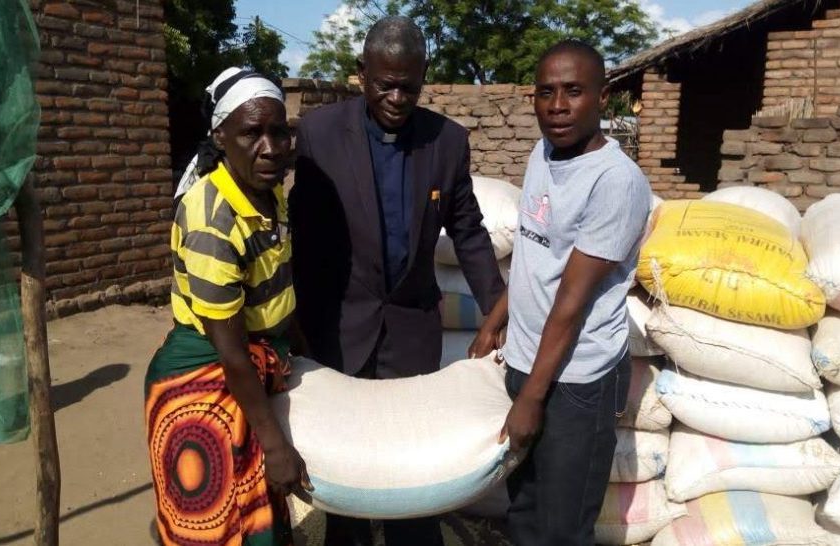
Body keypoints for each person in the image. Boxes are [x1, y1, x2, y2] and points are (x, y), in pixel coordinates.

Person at [289, 15, 505, 546]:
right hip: (339, 326)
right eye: (385, 83)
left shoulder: (446, 142)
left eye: (409, 85)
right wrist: (290, 324)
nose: (397, 96)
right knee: (349, 472)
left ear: (424, 76)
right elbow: (303, 236)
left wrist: (498, 311)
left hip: (410, 328)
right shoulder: (319, 133)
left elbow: (470, 230)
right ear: (362, 72)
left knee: (414, 470)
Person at [471, 41, 651, 545]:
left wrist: (531, 398)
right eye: (546, 92)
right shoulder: (543, 151)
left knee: (562, 526)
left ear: (603, 98)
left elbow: (571, 303)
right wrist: (494, 322)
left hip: (577, 379)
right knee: (524, 508)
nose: (557, 105)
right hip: (529, 357)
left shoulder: (616, 182)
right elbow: (534, 252)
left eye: (573, 91)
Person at [145, 67, 311, 546]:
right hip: (206, 383)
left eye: (279, 131)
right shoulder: (210, 218)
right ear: (220, 137)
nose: (270, 147)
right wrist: (275, 444)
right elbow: (232, 352)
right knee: (216, 525)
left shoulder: (267, 192)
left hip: (250, 367)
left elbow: (277, 289)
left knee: (262, 519)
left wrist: (304, 352)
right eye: (251, 132)